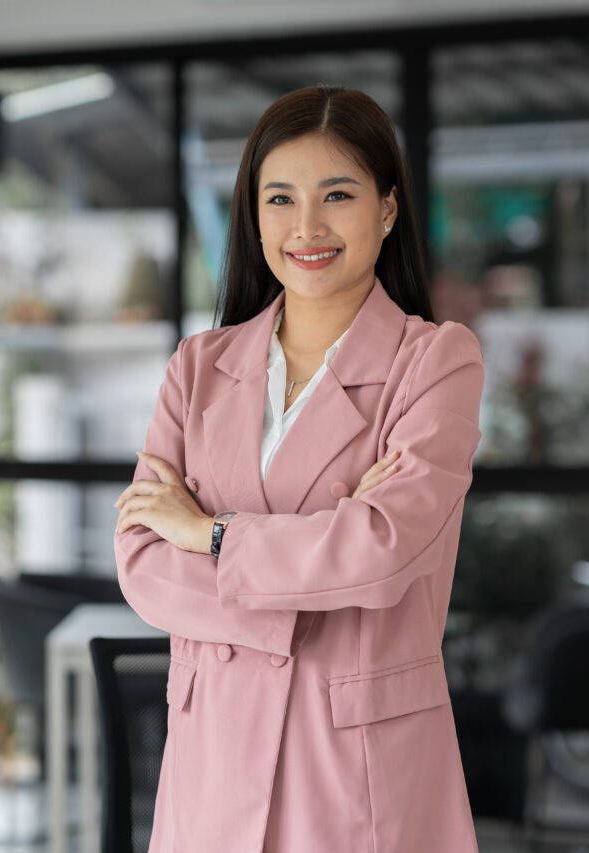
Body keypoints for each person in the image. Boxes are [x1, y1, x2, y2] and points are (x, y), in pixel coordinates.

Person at [112, 85, 484, 853]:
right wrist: (320, 562)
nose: (306, 227)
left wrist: (210, 533)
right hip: (210, 760)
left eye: (337, 195)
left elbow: (381, 550)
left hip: (352, 765)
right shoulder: (198, 366)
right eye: (280, 198)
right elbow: (143, 559)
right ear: (253, 215)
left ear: (386, 209)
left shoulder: (435, 362)